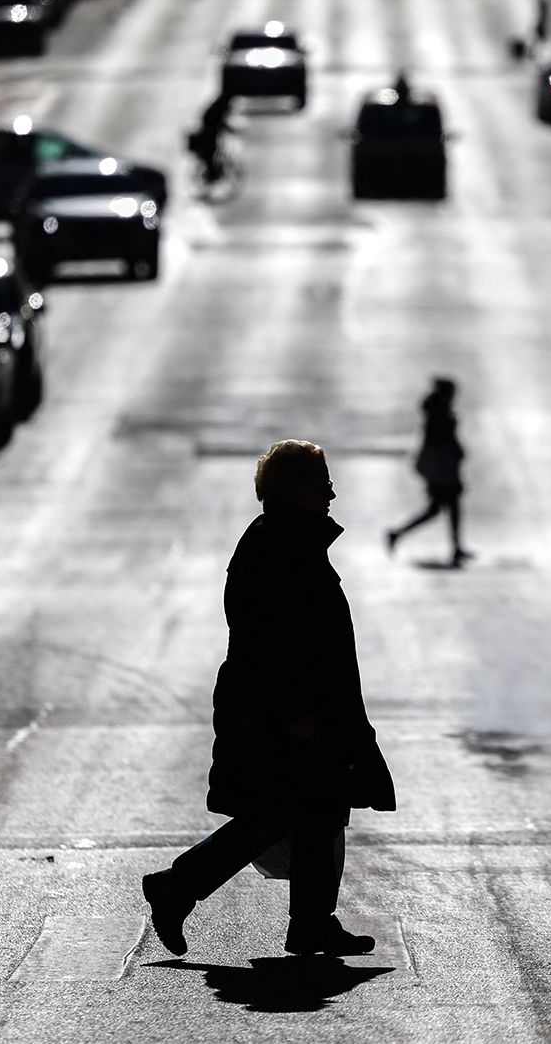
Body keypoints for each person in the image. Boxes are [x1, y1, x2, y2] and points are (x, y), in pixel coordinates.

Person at [142, 440, 396, 958]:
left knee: (301, 811)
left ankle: (294, 918)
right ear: (290, 490)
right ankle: (192, 890)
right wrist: (294, 712)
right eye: (320, 481)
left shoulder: (285, 539)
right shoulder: (279, 546)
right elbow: (270, 639)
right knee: (292, 810)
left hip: (297, 707)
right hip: (288, 712)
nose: (331, 492)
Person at [386, 379, 471, 564]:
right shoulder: (438, 417)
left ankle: (455, 547)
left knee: (443, 509)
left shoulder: (437, 414)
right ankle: (397, 533)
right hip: (443, 471)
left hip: (443, 469)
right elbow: (442, 444)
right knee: (444, 509)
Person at [189, 92, 236, 185]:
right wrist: (231, 130)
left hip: (210, 132)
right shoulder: (221, 107)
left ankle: (211, 175)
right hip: (209, 134)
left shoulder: (218, 105)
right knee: (210, 153)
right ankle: (210, 177)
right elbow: (220, 122)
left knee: (211, 153)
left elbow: (220, 122)